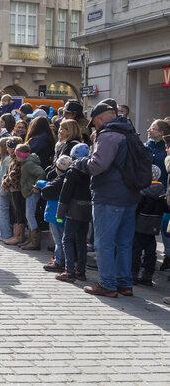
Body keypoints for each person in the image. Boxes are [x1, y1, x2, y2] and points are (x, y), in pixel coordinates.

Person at [74, 99, 142, 297]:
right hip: (130, 195)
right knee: (124, 242)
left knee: (104, 243)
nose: (94, 126)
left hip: (109, 195)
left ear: (101, 118)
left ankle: (107, 284)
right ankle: (124, 283)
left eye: (94, 122)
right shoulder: (129, 132)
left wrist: (80, 163)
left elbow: (97, 165)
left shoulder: (109, 135)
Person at [54, 143, 92, 283]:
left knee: (67, 239)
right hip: (87, 209)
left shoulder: (72, 172)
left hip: (74, 210)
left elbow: (65, 195)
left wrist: (59, 214)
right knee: (82, 240)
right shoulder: (91, 171)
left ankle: (69, 271)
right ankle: (80, 271)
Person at [131, 165, 168, 287]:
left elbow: (136, 209)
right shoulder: (162, 193)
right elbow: (166, 208)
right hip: (154, 227)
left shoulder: (142, 192)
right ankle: (147, 276)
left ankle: (133, 275)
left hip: (140, 225)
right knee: (151, 252)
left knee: (136, 251)